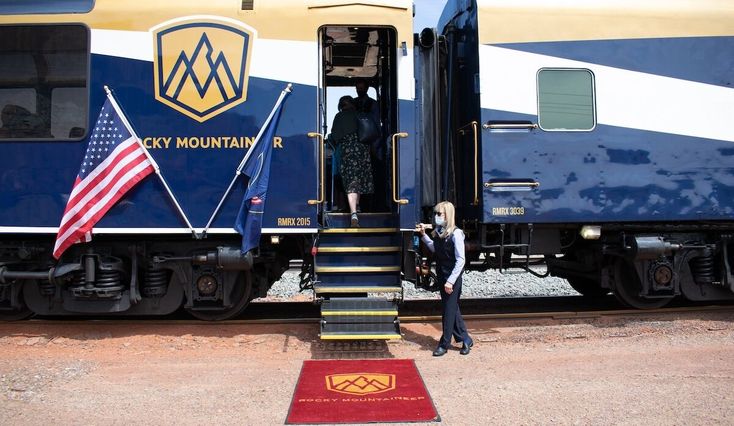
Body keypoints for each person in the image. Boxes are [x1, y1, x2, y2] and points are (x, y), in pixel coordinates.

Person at [416, 201, 473, 356]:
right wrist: (423, 236)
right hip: (442, 274)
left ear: (448, 215)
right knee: (452, 308)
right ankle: (466, 339)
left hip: (452, 277)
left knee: (448, 310)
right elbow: (435, 249)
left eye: (439, 214)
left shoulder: (456, 234)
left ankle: (444, 344)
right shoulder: (439, 232)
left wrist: (451, 281)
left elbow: (461, 260)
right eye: (435, 214)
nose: (436, 217)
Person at [329, 95, 374, 226]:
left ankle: (353, 212)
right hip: (362, 149)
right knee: (358, 180)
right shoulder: (360, 114)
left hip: (347, 150)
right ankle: (357, 206)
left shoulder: (339, 117)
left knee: (350, 181)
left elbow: (335, 135)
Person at [354, 79, 386, 212]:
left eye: (361, 88)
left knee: (371, 177)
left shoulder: (373, 104)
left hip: (370, 145)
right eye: (358, 88)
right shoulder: (354, 103)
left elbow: (376, 126)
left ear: (366, 89)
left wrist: (375, 146)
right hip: (356, 145)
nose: (359, 91)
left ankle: (371, 207)